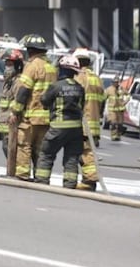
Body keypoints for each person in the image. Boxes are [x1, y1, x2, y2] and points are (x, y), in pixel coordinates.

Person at [37, 55, 97, 190]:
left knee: (46, 154)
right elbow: (82, 106)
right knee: (71, 159)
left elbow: (44, 101)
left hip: (58, 128)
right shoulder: (80, 88)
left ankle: (42, 181)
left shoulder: (56, 86)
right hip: (76, 131)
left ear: (62, 70)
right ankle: (70, 185)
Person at [9, 34, 56, 182]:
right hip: (46, 118)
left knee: (24, 145)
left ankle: (22, 175)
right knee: (41, 149)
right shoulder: (52, 68)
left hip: (30, 115)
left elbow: (24, 91)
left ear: (31, 50)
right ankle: (41, 177)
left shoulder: (32, 66)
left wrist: (15, 111)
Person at [0, 48, 25, 162]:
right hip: (6, 125)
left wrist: (14, 115)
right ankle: (12, 171)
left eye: (10, 64)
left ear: (17, 65)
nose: (7, 67)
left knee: (12, 149)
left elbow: (19, 100)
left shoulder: (18, 82)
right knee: (7, 148)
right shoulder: (8, 81)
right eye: (6, 64)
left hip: (12, 124)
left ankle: (14, 172)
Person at [72, 48, 106, 148]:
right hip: (94, 127)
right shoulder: (97, 79)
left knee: (80, 155)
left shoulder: (78, 77)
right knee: (89, 155)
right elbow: (103, 101)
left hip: (81, 126)